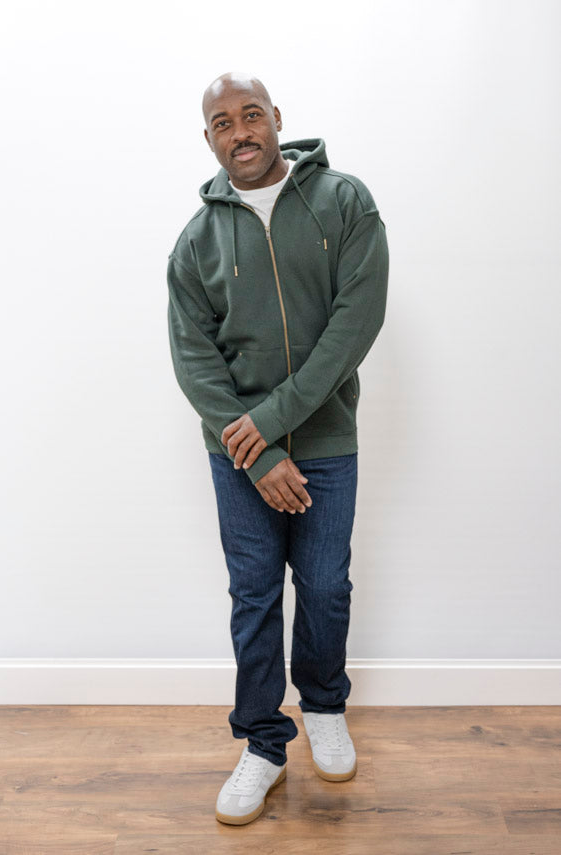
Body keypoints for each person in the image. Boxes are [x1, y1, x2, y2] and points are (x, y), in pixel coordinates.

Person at [166, 70, 389, 825]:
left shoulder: (344, 201)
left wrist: (278, 420)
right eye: (223, 123)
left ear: (277, 118)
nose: (241, 132)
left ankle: (323, 706)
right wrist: (258, 451)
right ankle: (262, 743)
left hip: (326, 439)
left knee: (324, 586)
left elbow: (355, 323)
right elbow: (194, 360)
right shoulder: (195, 241)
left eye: (251, 114)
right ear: (209, 139)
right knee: (255, 595)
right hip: (238, 455)